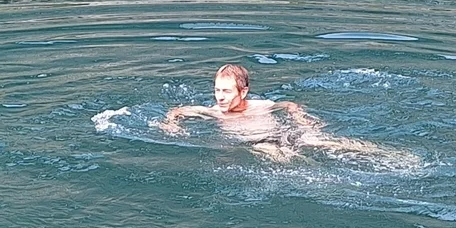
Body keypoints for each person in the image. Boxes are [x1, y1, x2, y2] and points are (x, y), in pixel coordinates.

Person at [157, 64, 382, 162]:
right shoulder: (214, 113)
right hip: (258, 143)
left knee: (331, 143)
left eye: (227, 91)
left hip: (287, 134)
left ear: (243, 91)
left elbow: (288, 105)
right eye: (217, 90)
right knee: (280, 157)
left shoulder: (261, 105)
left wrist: (301, 119)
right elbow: (178, 111)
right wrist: (171, 124)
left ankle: (393, 157)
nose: (220, 97)